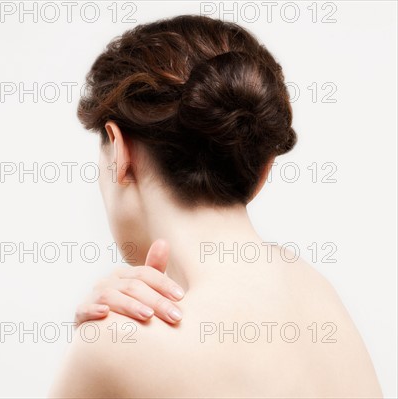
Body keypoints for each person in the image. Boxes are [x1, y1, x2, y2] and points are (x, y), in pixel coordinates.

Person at [49, 15, 382, 398]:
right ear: (262, 170)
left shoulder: (117, 347)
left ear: (119, 152)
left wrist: (96, 345)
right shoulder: (319, 298)